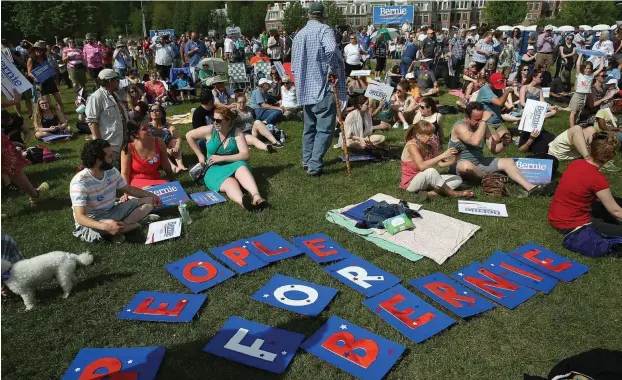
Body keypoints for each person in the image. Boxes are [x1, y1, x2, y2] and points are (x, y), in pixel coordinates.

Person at [448, 102, 551, 197]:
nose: (479, 122)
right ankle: (492, 178)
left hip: (479, 163)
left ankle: (531, 188)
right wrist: (483, 121)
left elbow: (494, 150)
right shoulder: (460, 126)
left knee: (508, 162)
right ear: (467, 118)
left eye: (481, 118)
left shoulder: (484, 126)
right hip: (458, 163)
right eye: (477, 119)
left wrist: (504, 143)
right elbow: (474, 141)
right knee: (466, 166)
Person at [70, 139, 161, 243]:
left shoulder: (111, 171)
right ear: (98, 161)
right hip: (94, 220)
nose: (113, 158)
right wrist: (105, 226)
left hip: (113, 210)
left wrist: (151, 195)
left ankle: (122, 227)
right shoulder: (80, 183)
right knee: (109, 224)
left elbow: (128, 189)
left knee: (149, 201)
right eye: (109, 156)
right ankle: (138, 223)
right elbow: (80, 217)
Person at [292, 2, 346, 176]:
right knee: (324, 129)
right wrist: (333, 69)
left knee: (310, 127)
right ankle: (314, 165)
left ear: (309, 14)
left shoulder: (299, 34)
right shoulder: (324, 30)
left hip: (305, 88)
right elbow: (331, 49)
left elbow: (293, 63)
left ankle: (307, 160)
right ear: (322, 15)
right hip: (322, 86)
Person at [186, 105, 266, 210]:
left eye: (218, 120)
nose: (215, 122)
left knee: (241, 167)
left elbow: (245, 155)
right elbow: (189, 135)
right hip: (213, 167)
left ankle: (256, 196)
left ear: (228, 121)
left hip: (234, 163)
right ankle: (242, 201)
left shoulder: (236, 132)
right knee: (229, 182)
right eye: (213, 119)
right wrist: (200, 156)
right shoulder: (210, 130)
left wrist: (222, 158)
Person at [548, 132, 622, 237]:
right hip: (570, 224)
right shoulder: (597, 179)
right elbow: (616, 211)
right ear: (610, 157)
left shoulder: (576, 163)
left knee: (616, 201)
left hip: (556, 215)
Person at [400, 120, 473, 199]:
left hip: (426, 180)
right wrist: (443, 155)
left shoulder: (429, 144)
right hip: (411, 182)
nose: (432, 137)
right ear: (418, 135)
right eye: (428, 134)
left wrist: (456, 158)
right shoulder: (412, 146)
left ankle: (430, 194)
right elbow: (421, 166)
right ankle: (453, 194)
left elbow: (441, 164)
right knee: (431, 171)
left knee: (457, 179)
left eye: (432, 133)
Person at [85, 69, 128, 169]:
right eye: (117, 80)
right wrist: (100, 145)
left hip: (122, 141)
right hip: (110, 144)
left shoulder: (115, 95)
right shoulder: (96, 97)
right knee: (110, 172)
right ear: (110, 81)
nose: (118, 82)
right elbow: (92, 121)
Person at [121, 117, 174, 189]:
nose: (149, 130)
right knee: (147, 194)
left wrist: (172, 182)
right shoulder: (128, 148)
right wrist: (126, 191)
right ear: (135, 134)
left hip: (156, 179)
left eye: (149, 126)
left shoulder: (159, 142)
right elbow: (125, 173)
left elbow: (166, 165)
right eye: (144, 129)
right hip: (137, 181)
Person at [147, 103, 186, 172]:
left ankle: (180, 165)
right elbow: (150, 143)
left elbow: (178, 137)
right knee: (159, 148)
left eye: (157, 110)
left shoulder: (167, 125)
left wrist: (177, 146)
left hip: (170, 150)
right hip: (155, 151)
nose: (154, 112)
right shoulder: (147, 127)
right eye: (152, 110)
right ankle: (173, 167)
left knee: (173, 141)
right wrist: (166, 149)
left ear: (162, 113)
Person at [569, 54, 605, 126]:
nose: (588, 70)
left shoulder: (591, 75)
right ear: (583, 68)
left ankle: (575, 124)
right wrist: (580, 55)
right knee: (573, 112)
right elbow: (578, 65)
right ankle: (572, 128)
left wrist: (601, 58)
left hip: (585, 96)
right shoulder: (580, 74)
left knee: (578, 111)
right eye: (586, 68)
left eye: (589, 68)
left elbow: (601, 68)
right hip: (578, 95)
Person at [27, 42, 63, 111]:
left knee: (59, 100)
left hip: (50, 80)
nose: (39, 51)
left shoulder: (45, 58)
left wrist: (52, 71)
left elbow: (50, 68)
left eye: (41, 50)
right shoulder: (31, 60)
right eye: (37, 50)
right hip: (41, 83)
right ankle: (52, 116)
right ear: (34, 50)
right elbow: (29, 73)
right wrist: (35, 77)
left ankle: (62, 115)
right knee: (47, 102)